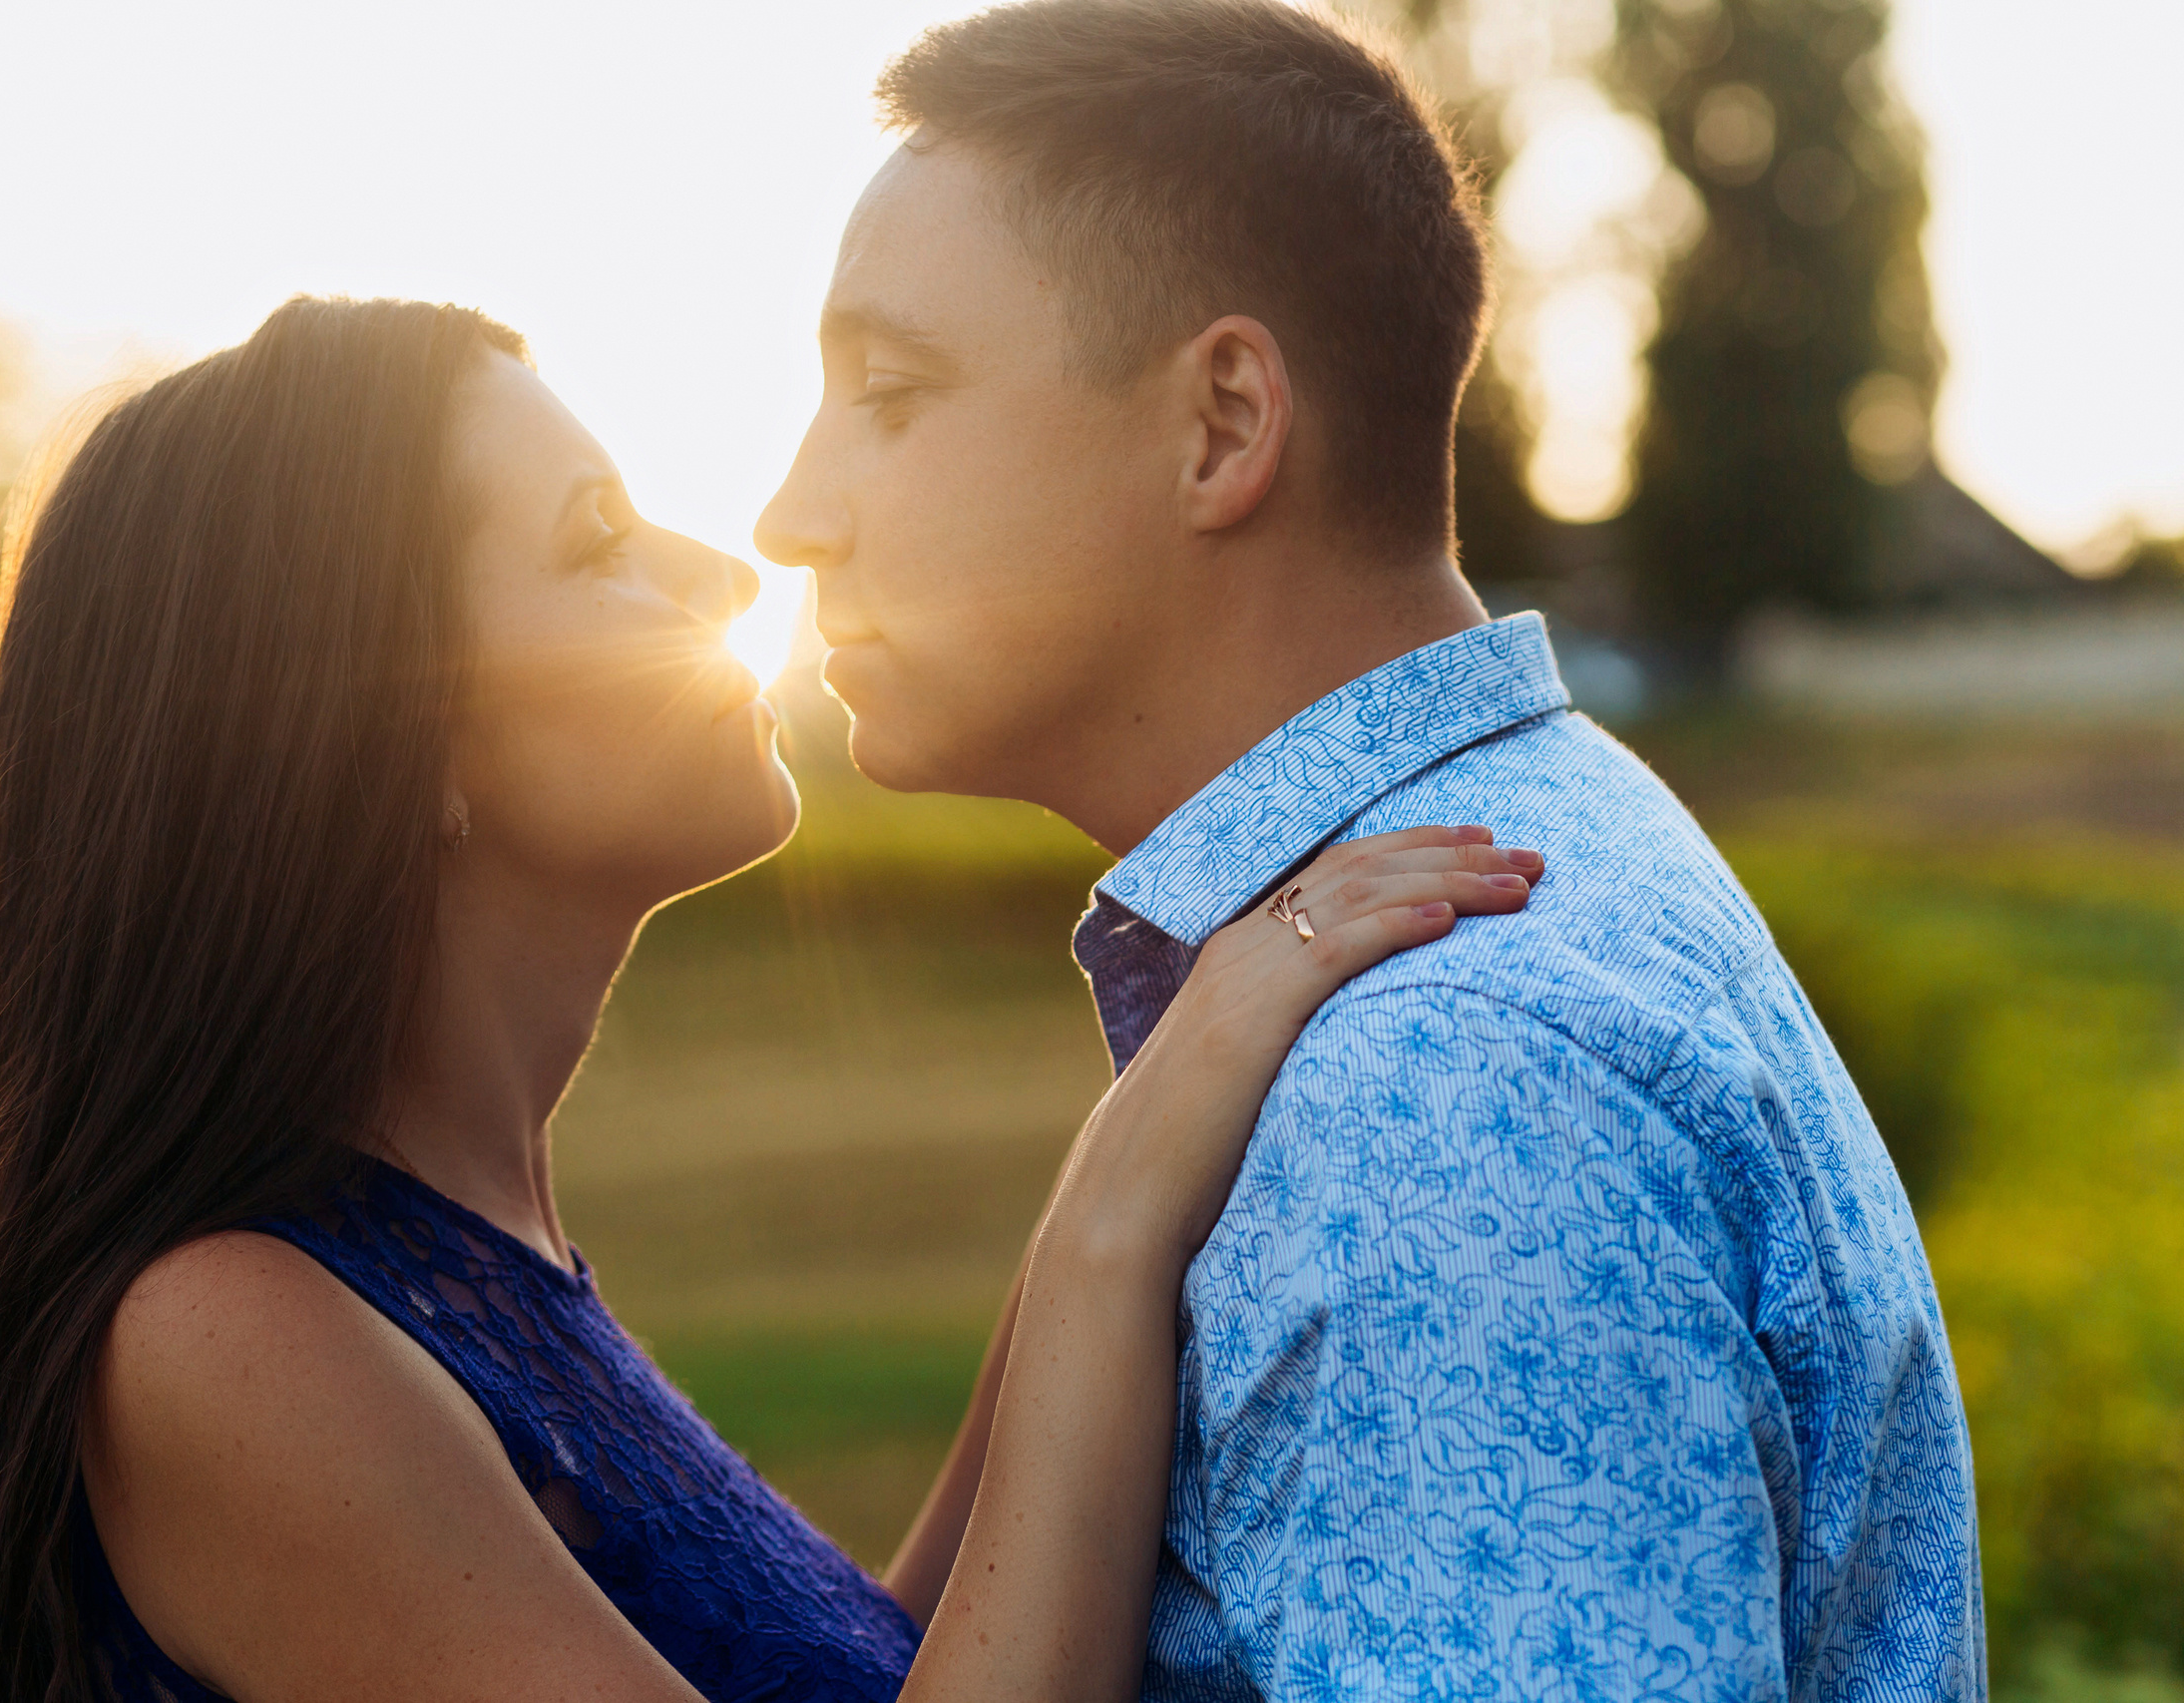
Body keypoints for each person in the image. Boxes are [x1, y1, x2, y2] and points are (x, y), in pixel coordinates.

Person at [0, 293, 1543, 1703]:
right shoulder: (230, 1348)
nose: (724, 580)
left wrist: (1150, 1121)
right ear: (391, 732)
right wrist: (1111, 1220)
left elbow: (864, 1669)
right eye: (595, 544)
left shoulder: (471, 1270)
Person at [753, 1, 1983, 1698]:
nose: (789, 515)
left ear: (1223, 423)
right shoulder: (1517, 873)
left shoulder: (1447, 1088)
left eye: (893, 393)